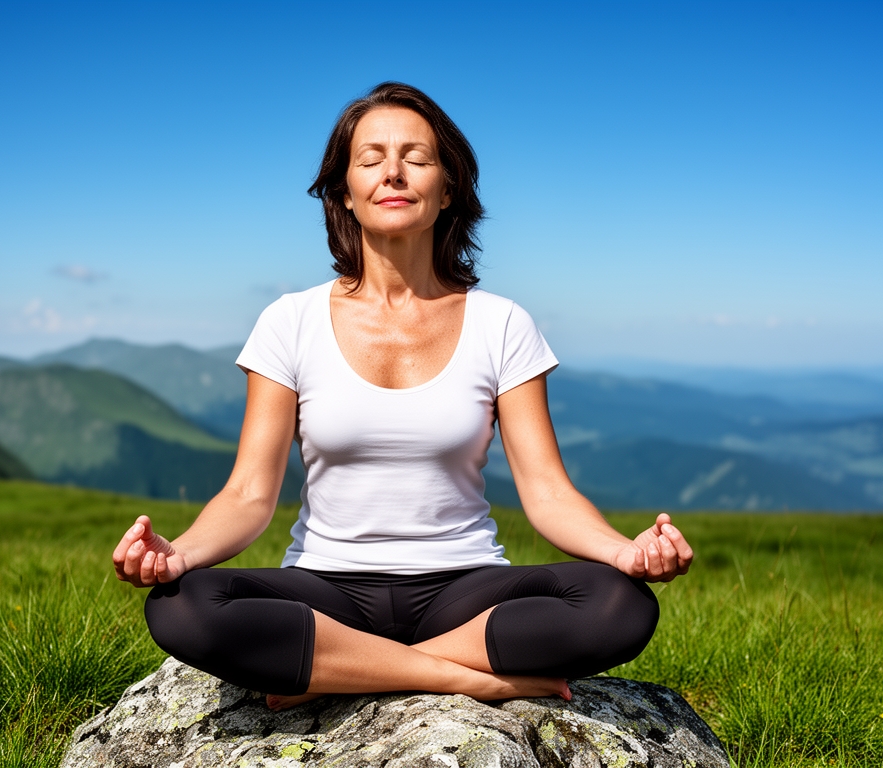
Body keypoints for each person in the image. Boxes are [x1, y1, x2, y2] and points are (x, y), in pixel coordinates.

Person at [113, 82, 693, 711]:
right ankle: (458, 676)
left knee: (620, 604)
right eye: (370, 159)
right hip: (325, 587)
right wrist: (179, 556)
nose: (393, 172)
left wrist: (625, 552)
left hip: (466, 590)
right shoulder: (289, 321)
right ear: (344, 193)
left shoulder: (502, 323)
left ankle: (329, 669)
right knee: (184, 606)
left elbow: (548, 492)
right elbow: (250, 493)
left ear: (448, 191)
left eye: (416, 157)